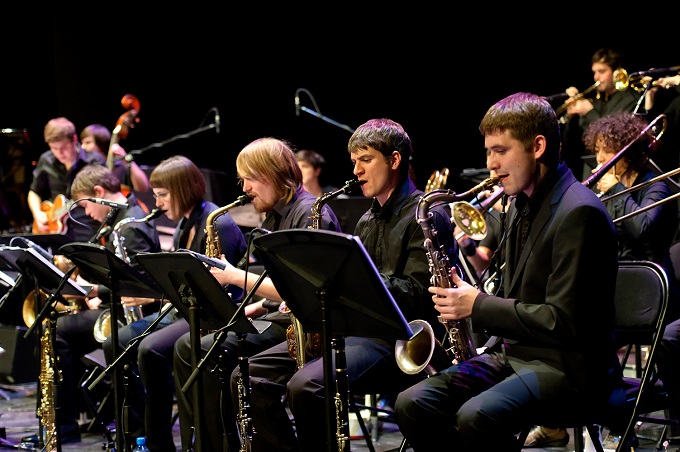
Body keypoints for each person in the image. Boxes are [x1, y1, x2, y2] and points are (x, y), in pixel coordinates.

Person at [394, 92, 624, 451]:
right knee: (412, 403)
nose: (490, 164)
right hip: (515, 354)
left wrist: (478, 305)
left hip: (571, 368)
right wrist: (464, 296)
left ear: (537, 146)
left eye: (500, 151)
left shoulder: (580, 212)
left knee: (476, 416)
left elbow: (564, 322)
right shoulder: (519, 204)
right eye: (488, 152)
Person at [227, 118, 456, 452]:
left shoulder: (426, 214)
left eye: (366, 160)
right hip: (356, 332)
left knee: (306, 385)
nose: (357, 170)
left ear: (394, 160)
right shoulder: (366, 219)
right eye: (353, 162)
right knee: (245, 377)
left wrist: (353, 283)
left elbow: (419, 294)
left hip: (398, 338)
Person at [172, 137, 342, 452]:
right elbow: (284, 286)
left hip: (309, 330)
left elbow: (306, 290)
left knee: (213, 357)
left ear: (275, 173)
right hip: (282, 316)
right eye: (241, 179)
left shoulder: (309, 214)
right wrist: (261, 306)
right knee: (190, 346)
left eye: (250, 178)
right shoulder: (277, 214)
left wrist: (233, 276)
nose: (244, 187)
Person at [102, 155, 247, 452]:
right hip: (187, 309)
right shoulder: (186, 222)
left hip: (214, 315)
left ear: (183, 189)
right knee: (115, 342)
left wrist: (151, 297)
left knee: (150, 349)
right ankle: (140, 433)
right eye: (156, 195)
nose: (157, 203)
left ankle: (159, 441)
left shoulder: (217, 224)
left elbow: (214, 290)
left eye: (163, 195)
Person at [35, 164, 161, 444]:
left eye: (88, 206)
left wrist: (97, 293)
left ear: (99, 192)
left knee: (59, 333)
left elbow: (138, 280)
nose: (88, 214)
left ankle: (66, 426)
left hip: (133, 314)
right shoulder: (124, 220)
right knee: (58, 330)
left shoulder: (130, 225)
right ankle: (67, 422)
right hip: (117, 307)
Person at [560, 48, 641, 181]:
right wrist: (571, 118)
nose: (596, 77)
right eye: (595, 72)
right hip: (589, 172)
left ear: (616, 72)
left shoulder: (630, 99)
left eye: (602, 71)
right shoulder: (597, 102)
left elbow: (615, 137)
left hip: (616, 175)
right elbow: (572, 146)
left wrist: (589, 112)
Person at [28, 117, 107, 243]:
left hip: (86, 229)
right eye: (54, 148)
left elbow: (104, 196)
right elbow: (34, 192)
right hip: (54, 232)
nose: (59, 153)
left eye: (63, 147)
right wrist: (37, 213)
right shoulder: (45, 160)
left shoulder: (95, 162)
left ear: (74, 140)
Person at [80, 124, 150, 195]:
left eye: (87, 142)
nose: (83, 147)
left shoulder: (118, 165)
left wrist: (126, 159)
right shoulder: (87, 167)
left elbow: (143, 187)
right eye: (82, 143)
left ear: (101, 143)